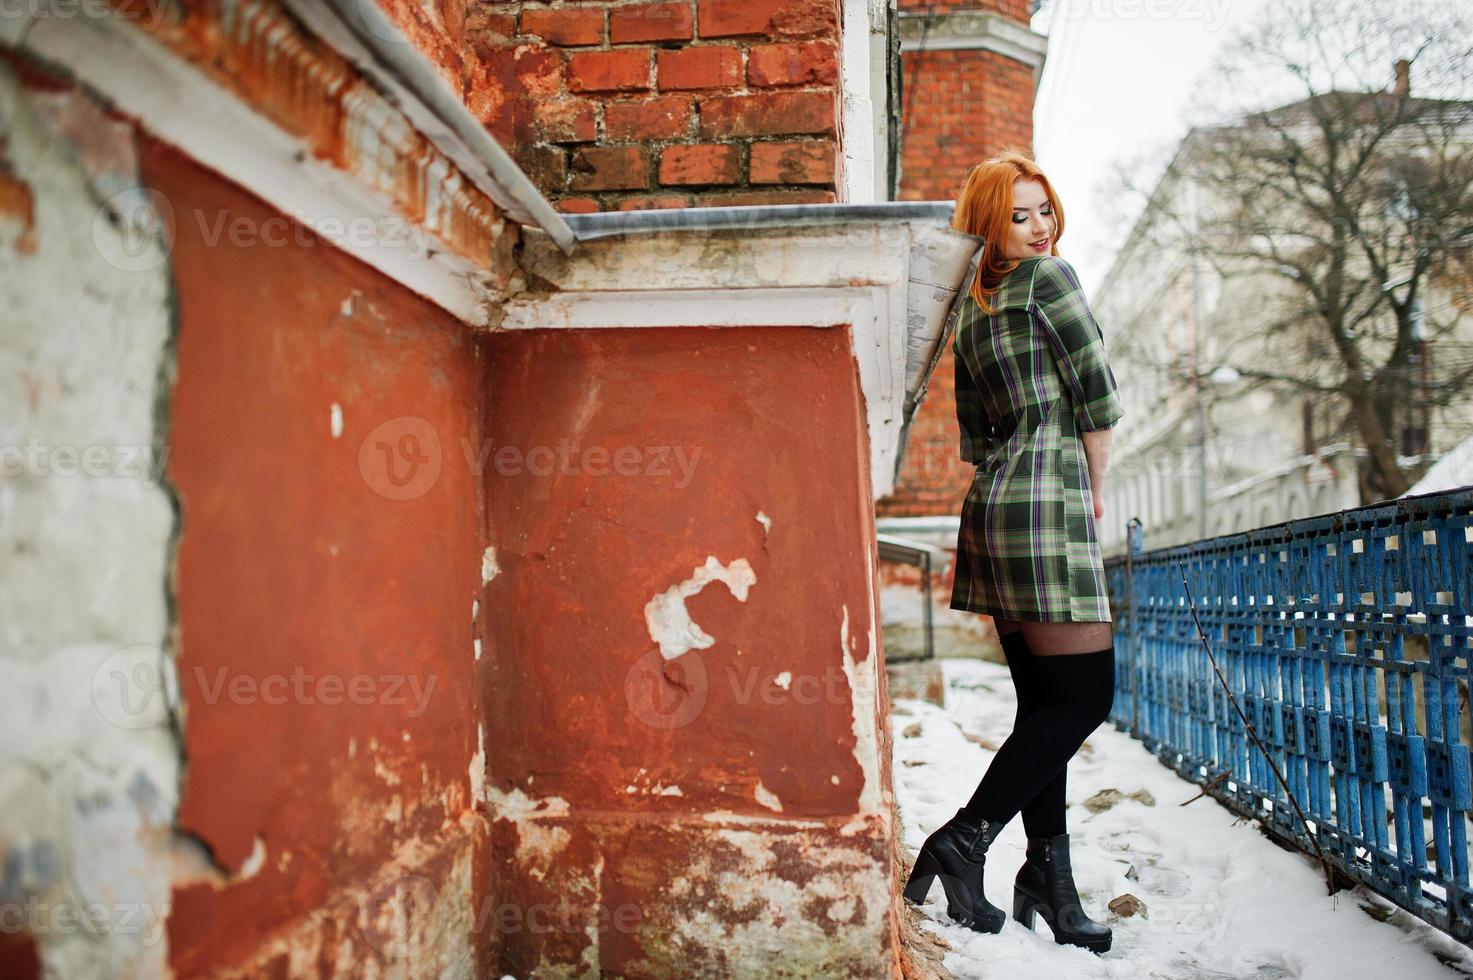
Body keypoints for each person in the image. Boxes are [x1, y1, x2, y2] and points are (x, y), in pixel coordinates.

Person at [902, 149, 1124, 955]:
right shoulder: (1051, 282)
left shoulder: (973, 310)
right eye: (1017, 216)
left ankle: (1049, 884)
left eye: (1043, 211)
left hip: (993, 507)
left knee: (1044, 707)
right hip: (1044, 505)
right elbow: (1095, 398)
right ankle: (964, 840)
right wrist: (1093, 494)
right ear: (990, 227)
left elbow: (975, 435)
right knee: (1086, 697)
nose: (1038, 229)